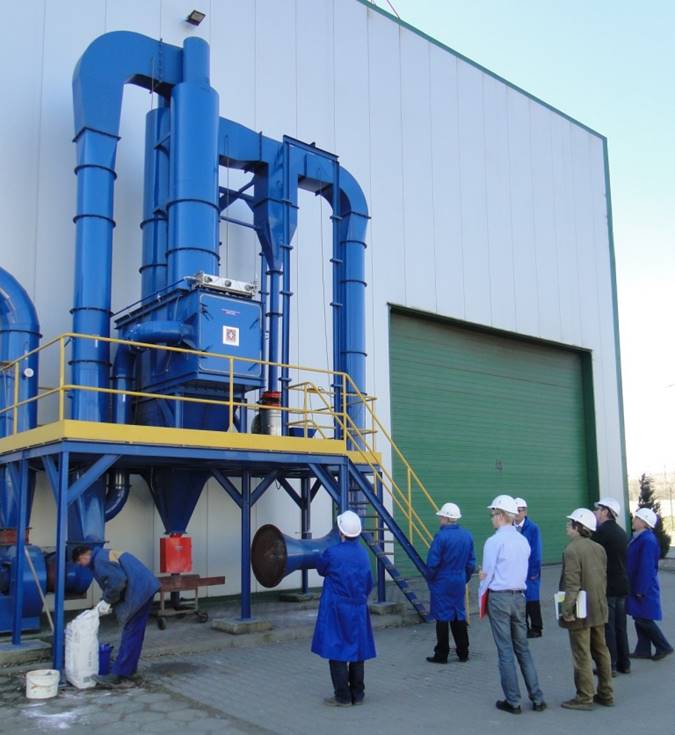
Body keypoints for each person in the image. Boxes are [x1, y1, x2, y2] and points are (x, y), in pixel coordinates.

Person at [479, 495, 546, 715]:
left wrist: (482, 589)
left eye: (492, 514)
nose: (491, 518)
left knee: (505, 650)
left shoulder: (494, 542)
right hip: (519, 596)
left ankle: (513, 701)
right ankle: (537, 698)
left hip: (500, 597)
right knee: (523, 649)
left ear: (500, 515)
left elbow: (488, 573)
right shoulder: (522, 540)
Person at [311, 510, 376, 706]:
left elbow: (321, 568)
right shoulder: (363, 554)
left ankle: (342, 696)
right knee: (357, 651)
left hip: (337, 608)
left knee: (337, 650)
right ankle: (358, 694)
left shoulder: (332, 553)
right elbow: (368, 582)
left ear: (341, 532)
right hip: (358, 608)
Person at [73, 544, 160, 687]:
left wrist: (107, 600)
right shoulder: (103, 554)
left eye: (79, 561)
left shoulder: (99, 560)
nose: (80, 565)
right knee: (135, 632)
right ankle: (129, 670)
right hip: (145, 587)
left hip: (139, 591)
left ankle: (118, 674)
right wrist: (105, 600)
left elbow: (118, 582)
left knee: (130, 631)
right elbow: (116, 581)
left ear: (85, 555)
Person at [559, 508, 613, 711]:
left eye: (570, 523)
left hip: (580, 611)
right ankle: (606, 693)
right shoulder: (599, 548)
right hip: (598, 606)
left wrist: (567, 611)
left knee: (582, 654)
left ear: (578, 527)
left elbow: (572, 584)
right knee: (601, 651)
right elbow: (603, 577)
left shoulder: (572, 550)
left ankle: (584, 697)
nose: (567, 526)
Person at [425, 502, 476, 664]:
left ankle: (441, 654)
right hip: (459, 579)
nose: (440, 519)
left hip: (443, 580)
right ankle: (463, 652)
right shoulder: (467, 536)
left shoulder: (441, 537)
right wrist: (464, 577)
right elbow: (471, 563)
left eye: (441, 516)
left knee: (442, 616)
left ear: (446, 518)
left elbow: (432, 563)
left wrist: (431, 578)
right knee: (458, 614)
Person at [626, 507, 673, 661]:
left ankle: (663, 646)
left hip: (643, 586)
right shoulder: (641, 538)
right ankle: (643, 649)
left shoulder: (647, 540)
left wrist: (641, 589)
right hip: (639, 584)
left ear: (644, 523)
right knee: (639, 617)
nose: (634, 520)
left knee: (644, 619)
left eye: (637, 518)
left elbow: (646, 567)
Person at [592, 496, 630, 676]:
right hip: (622, 584)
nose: (596, 513)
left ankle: (610, 665)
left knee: (609, 627)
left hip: (608, 585)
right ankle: (624, 663)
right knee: (621, 626)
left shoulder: (601, 532)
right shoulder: (621, 532)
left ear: (606, 512)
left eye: (598, 509)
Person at [514, 497, 543, 638]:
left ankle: (536, 627)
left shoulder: (532, 528)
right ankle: (523, 627)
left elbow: (536, 551)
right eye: (515, 510)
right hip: (516, 569)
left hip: (530, 569)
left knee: (532, 598)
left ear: (525, 512)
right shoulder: (509, 528)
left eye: (520, 510)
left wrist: (533, 572)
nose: (518, 513)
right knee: (519, 600)